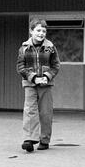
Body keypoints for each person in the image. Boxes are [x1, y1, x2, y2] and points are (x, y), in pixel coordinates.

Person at [17, 18, 60, 153]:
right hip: (30, 84)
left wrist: (47, 77)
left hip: (46, 84)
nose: (41, 33)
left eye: (44, 31)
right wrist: (33, 78)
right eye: (38, 30)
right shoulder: (24, 48)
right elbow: (20, 66)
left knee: (46, 112)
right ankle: (29, 139)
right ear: (31, 31)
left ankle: (44, 139)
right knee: (30, 110)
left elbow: (56, 65)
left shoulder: (50, 47)